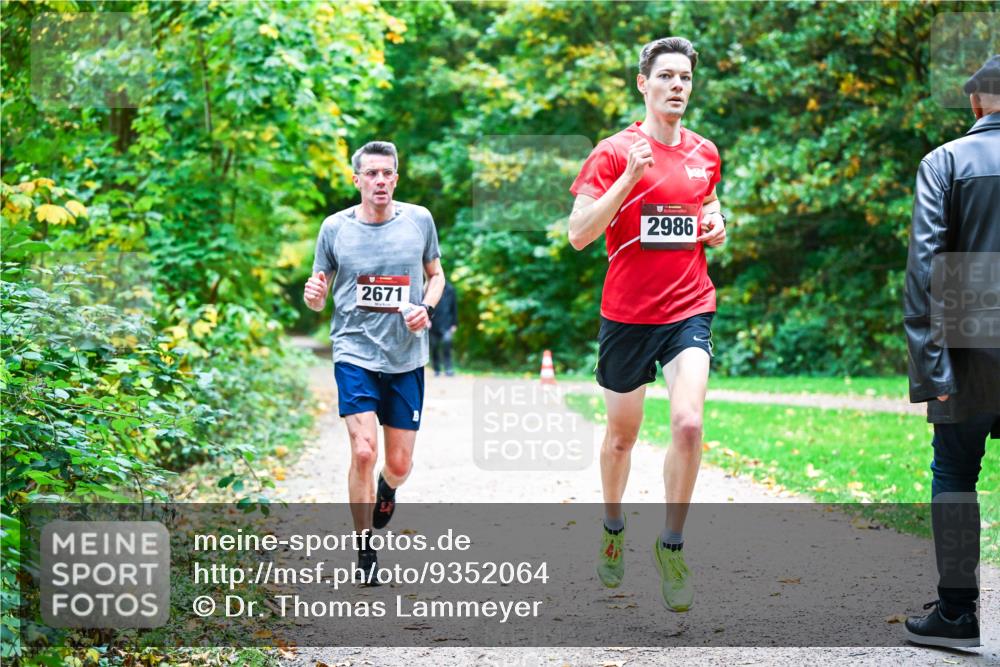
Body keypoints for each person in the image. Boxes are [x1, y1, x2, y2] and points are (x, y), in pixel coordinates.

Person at [567, 36, 727, 612]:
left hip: (689, 307)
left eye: (685, 77)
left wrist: (717, 224)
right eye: (666, 76)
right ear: (643, 84)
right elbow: (578, 234)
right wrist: (628, 179)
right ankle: (613, 527)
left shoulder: (705, 151)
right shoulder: (614, 151)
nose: (677, 86)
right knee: (621, 437)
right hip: (627, 315)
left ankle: (672, 544)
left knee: (688, 424)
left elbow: (706, 204)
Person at [304, 140, 445, 583]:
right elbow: (318, 293)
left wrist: (427, 308)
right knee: (364, 450)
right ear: (357, 180)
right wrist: (314, 296)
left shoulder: (419, 220)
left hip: (406, 356)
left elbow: (436, 275)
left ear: (396, 179)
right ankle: (365, 549)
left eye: (387, 173)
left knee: (399, 465)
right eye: (371, 174)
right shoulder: (334, 228)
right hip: (354, 352)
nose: (379, 181)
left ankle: (388, 487)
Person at [903, 55, 1000, 649]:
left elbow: (926, 270)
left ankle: (959, 614)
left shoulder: (945, 162)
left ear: (975, 101)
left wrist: (931, 368)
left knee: (957, 473)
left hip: (968, 347)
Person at [430, 281, 458, 376]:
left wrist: (454, 324)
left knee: (447, 345)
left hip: (447, 324)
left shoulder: (450, 289)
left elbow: (454, 307)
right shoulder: (431, 287)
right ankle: (436, 369)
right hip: (433, 324)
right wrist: (427, 320)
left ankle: (448, 368)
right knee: (434, 347)